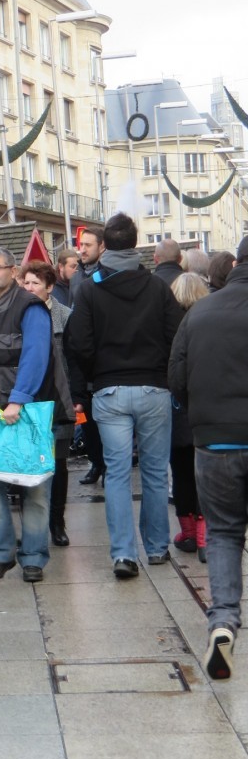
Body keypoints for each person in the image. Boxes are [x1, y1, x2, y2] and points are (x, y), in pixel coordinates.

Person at [67, 212, 184, 579]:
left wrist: (93, 377)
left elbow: (79, 343)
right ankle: (157, 547)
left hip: (110, 389)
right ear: (135, 243)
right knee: (152, 472)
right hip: (153, 388)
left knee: (117, 474)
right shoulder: (156, 288)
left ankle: (123, 554)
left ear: (105, 246)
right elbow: (176, 336)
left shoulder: (89, 289)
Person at [169, 239, 248, 680]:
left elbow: (176, 377)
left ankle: (222, 623)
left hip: (215, 440)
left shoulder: (200, 312)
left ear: (235, 264)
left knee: (222, 533)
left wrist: (200, 415)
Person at [0, 247, 54, 583]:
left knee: (35, 486)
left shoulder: (30, 307)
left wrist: (18, 399)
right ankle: (1, 553)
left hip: (26, 409)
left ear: (12, 271)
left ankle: (33, 557)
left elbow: (36, 355)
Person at [21, 261, 77, 547]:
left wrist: (78, 397)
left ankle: (57, 522)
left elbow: (76, 360)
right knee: (28, 464)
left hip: (59, 399)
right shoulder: (16, 314)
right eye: (26, 282)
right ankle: (32, 526)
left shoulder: (65, 317)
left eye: (35, 283)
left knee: (58, 463)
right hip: (29, 400)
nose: (29, 288)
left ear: (50, 287)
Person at [169, 273, 210, 559]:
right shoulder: (210, 320)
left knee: (182, 472)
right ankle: (206, 536)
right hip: (207, 407)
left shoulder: (167, 322)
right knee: (206, 474)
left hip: (176, 407)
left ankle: (188, 533)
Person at [70, 228, 108, 486]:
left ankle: (109, 466)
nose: (81, 249)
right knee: (89, 423)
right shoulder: (77, 276)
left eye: (87, 245)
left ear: (102, 247)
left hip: (101, 357)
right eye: (80, 245)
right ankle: (96, 462)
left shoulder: (106, 276)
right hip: (80, 358)